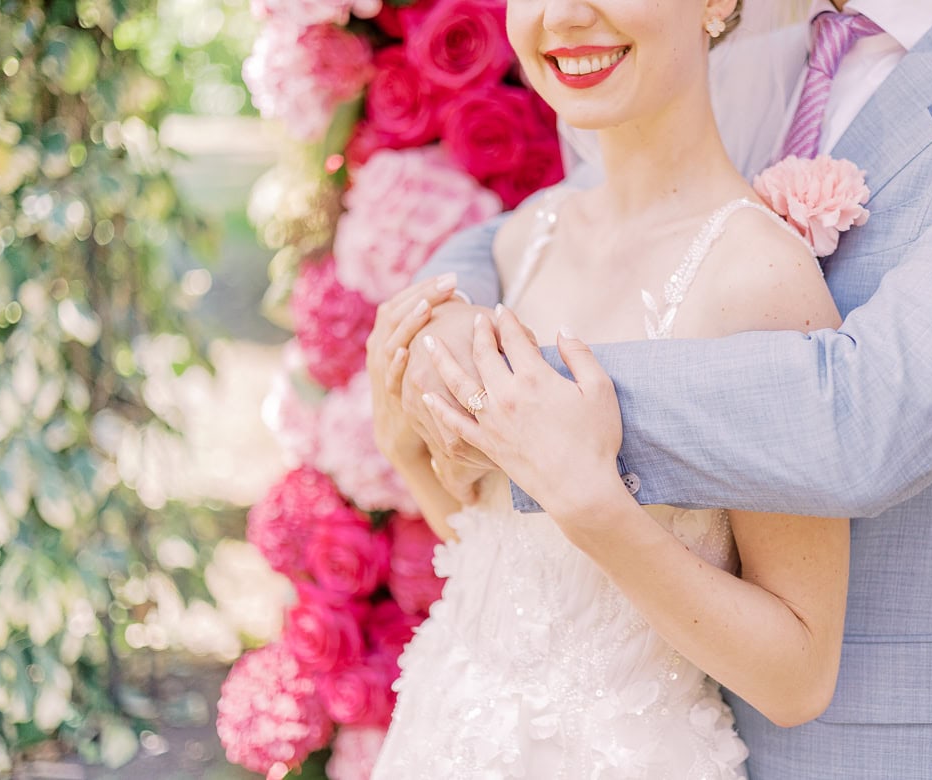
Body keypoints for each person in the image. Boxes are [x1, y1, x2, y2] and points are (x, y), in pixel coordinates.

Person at [398, 0, 932, 777]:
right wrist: (438, 335)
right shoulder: (739, 44)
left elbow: (866, 418)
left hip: (888, 743)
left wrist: (508, 394)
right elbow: (575, 221)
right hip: (592, 719)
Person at [365, 0, 853, 776]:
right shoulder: (528, 239)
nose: (562, 16)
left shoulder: (759, 281)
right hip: (445, 735)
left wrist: (594, 506)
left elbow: (798, 677)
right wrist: (404, 446)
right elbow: (505, 565)